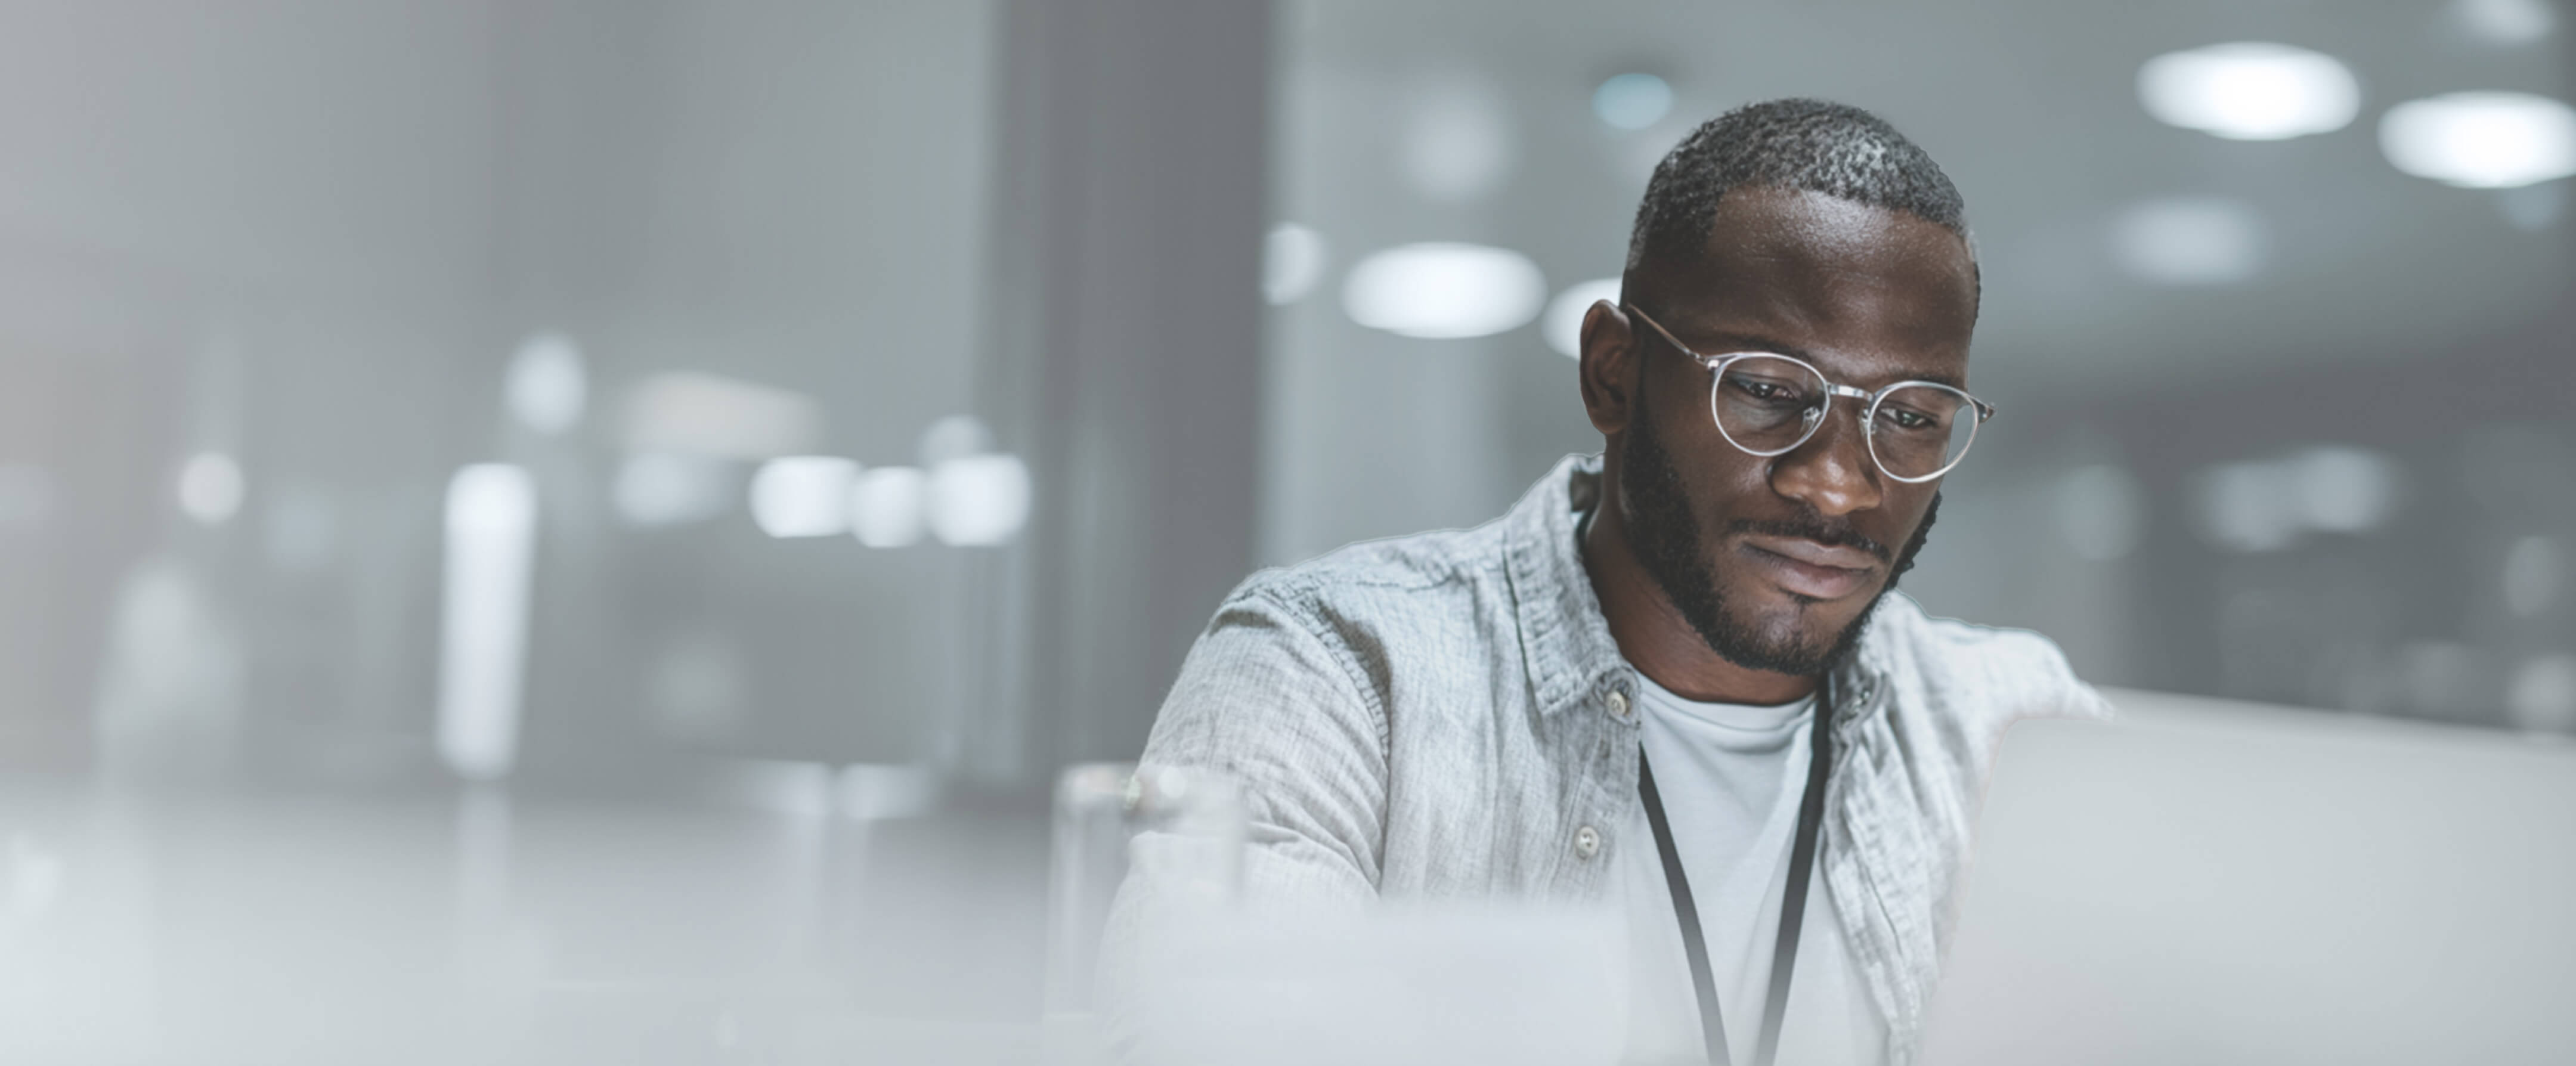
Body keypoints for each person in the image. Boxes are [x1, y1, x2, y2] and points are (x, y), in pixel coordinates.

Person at [1109, 98, 2109, 1066]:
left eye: (1911, 418)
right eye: (1765, 393)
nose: (1839, 488)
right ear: (1614, 375)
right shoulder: (1334, 683)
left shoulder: (2017, 734)